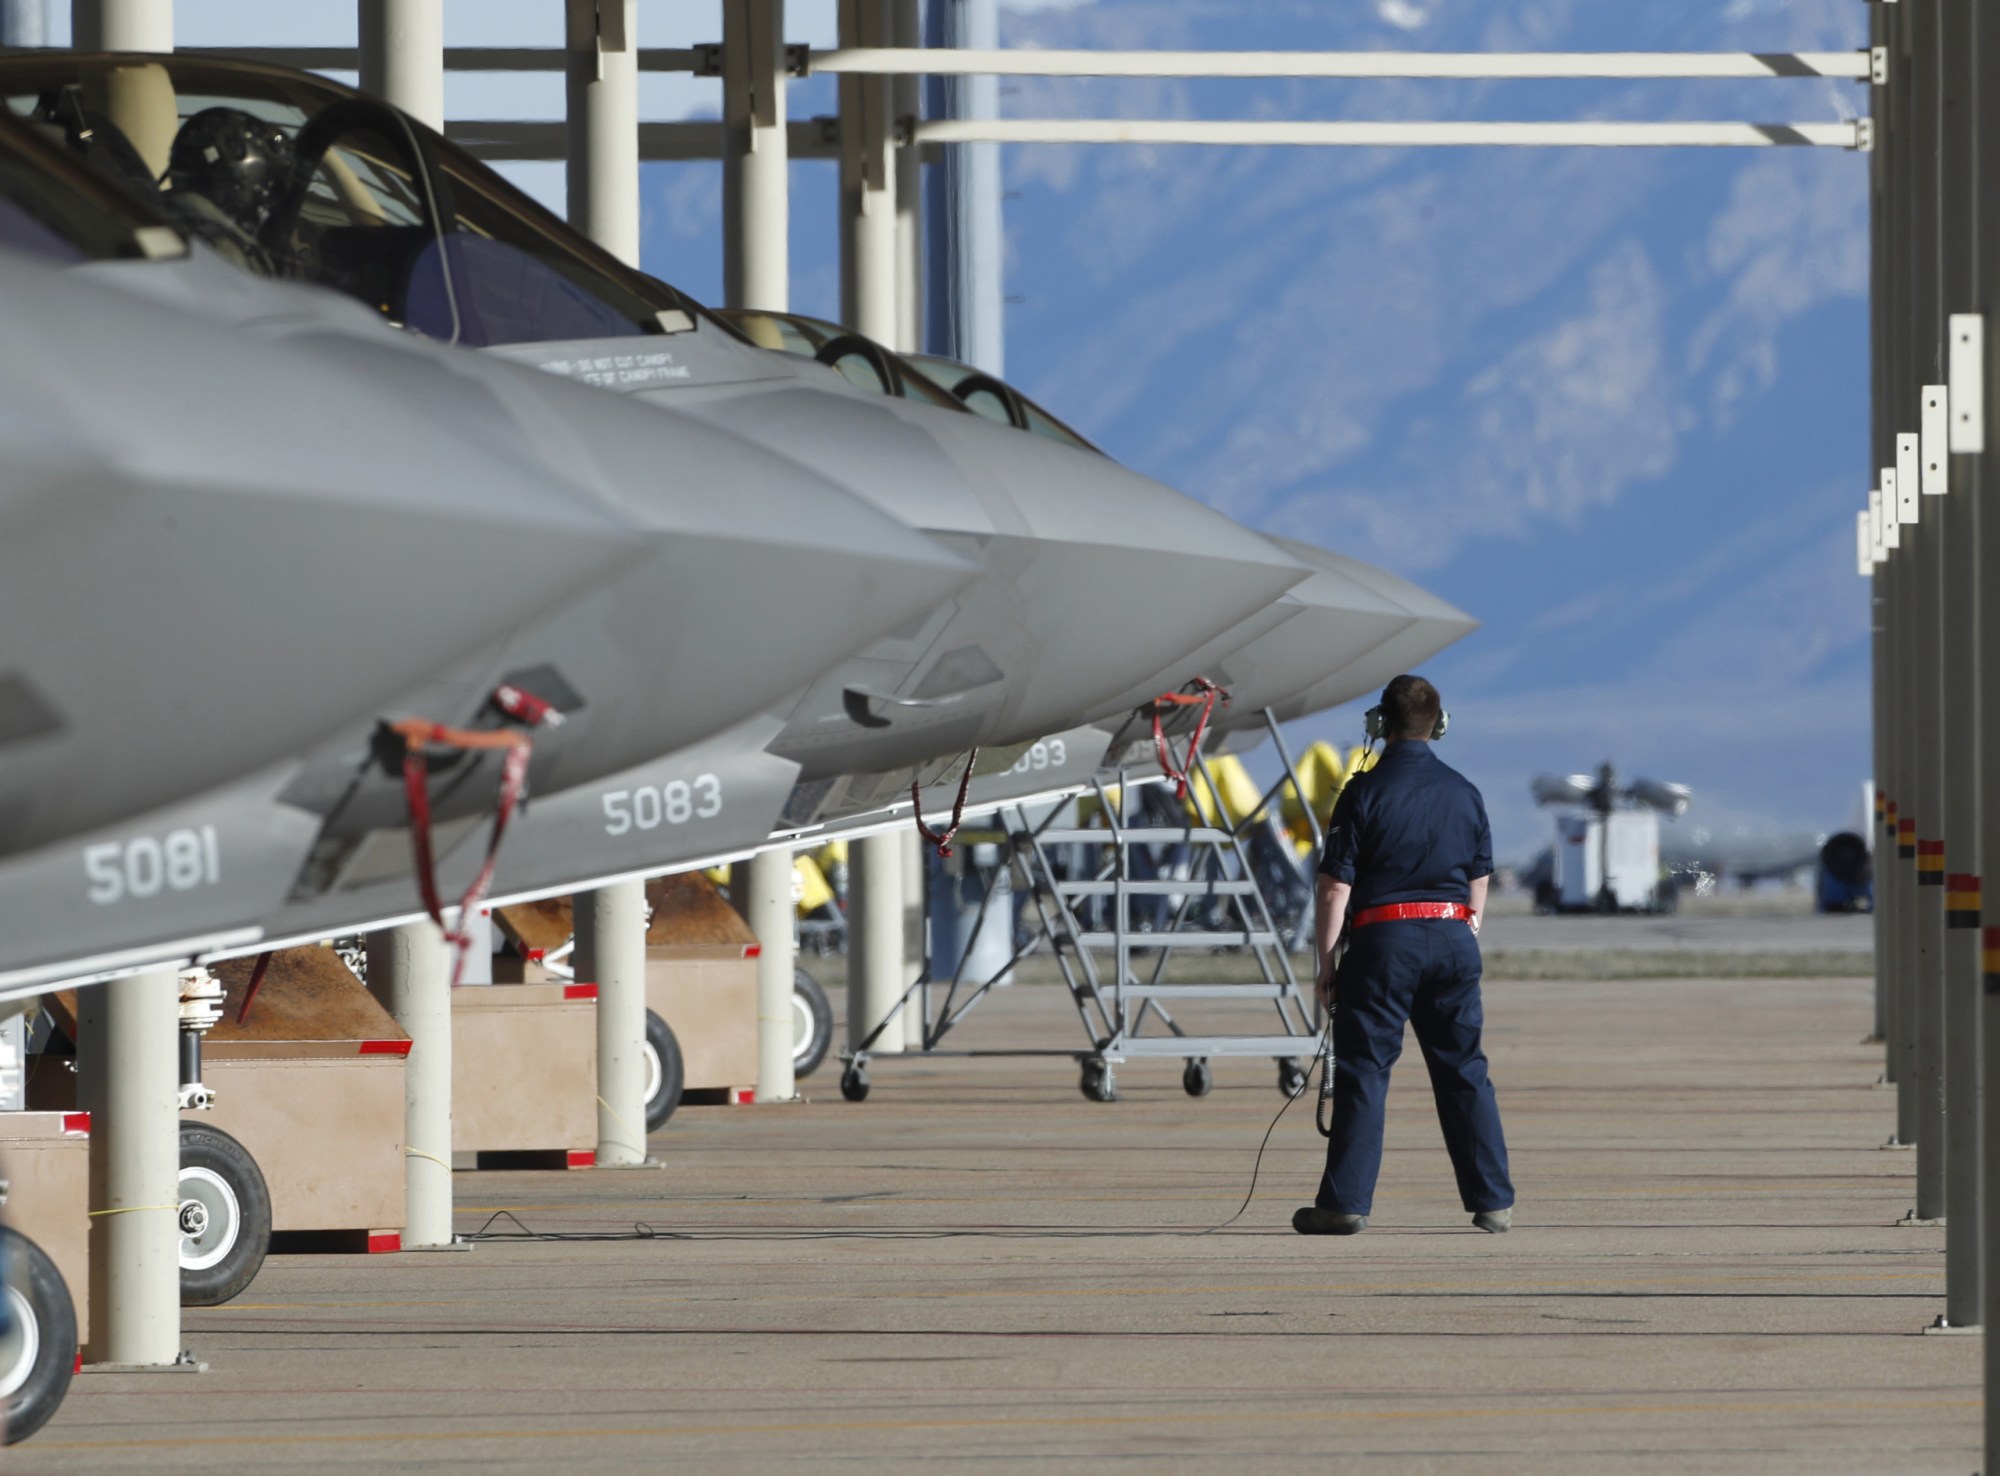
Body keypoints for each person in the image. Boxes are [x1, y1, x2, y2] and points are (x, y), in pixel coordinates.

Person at [1294, 674, 1514, 1237]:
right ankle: (1493, 1202)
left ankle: (1345, 1202)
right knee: (1465, 1070)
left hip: (1383, 942)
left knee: (1365, 1071)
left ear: (1379, 725)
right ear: (1438, 725)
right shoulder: (1466, 791)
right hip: (1452, 937)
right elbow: (1480, 878)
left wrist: (1325, 965)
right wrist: (1466, 930)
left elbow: (1333, 889)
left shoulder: (1361, 792)